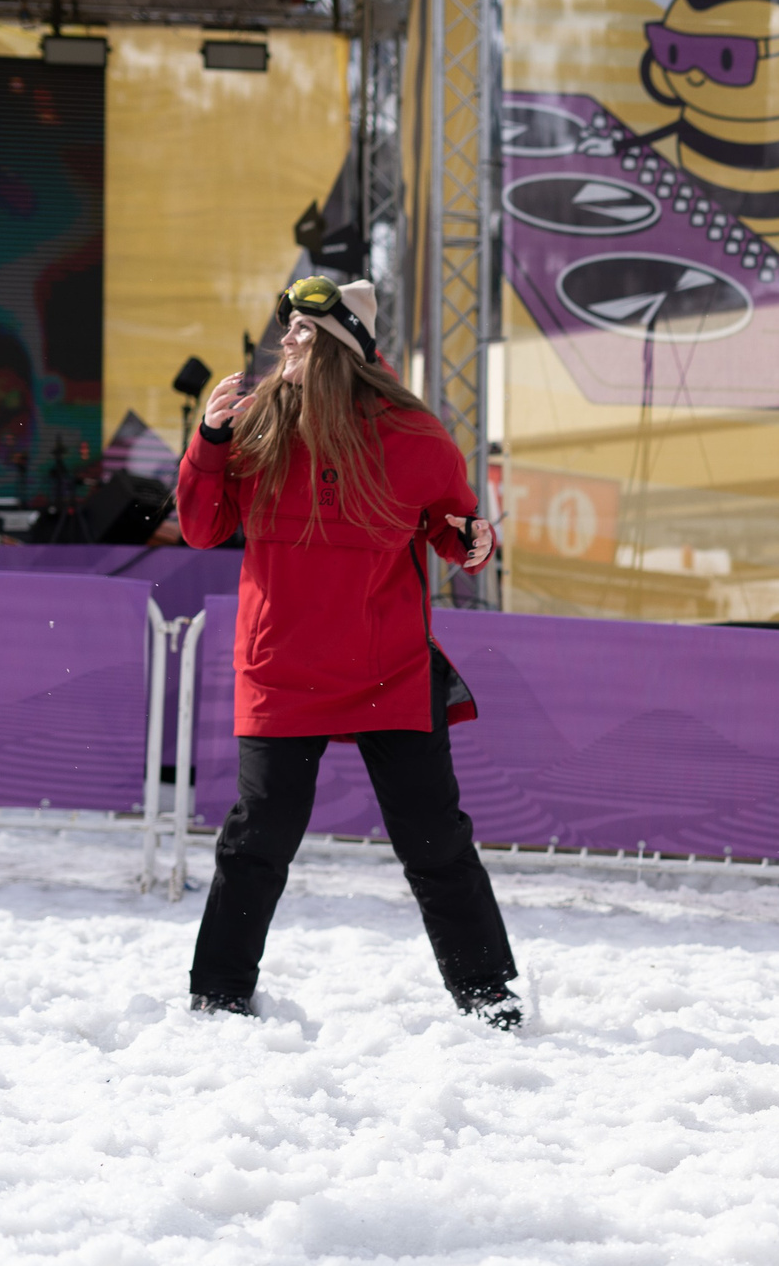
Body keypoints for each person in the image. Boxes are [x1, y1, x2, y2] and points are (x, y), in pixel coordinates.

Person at [177, 276, 523, 1029]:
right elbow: (202, 529)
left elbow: (451, 526)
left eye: (305, 333)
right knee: (256, 840)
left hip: (389, 670)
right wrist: (207, 440)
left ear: (345, 350)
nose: (288, 343)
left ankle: (488, 993)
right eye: (289, 330)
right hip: (281, 671)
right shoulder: (256, 425)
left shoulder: (413, 436)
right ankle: (218, 995)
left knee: (435, 840)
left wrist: (473, 540)